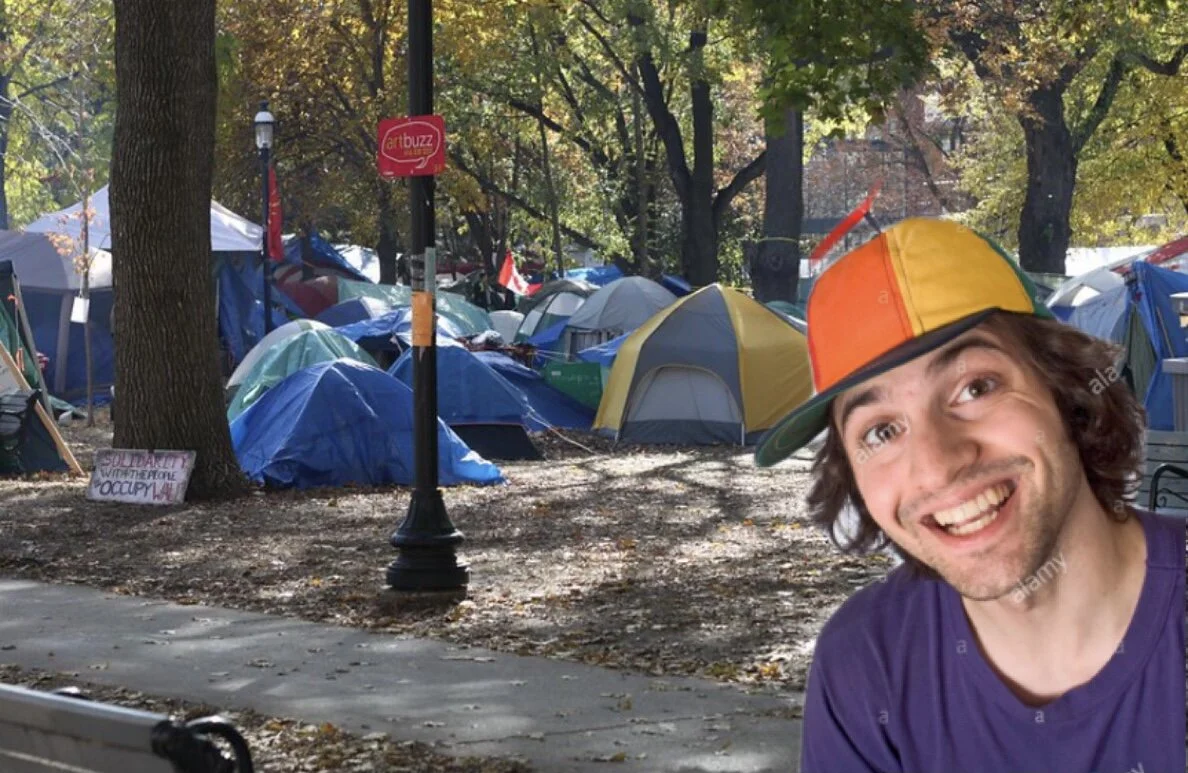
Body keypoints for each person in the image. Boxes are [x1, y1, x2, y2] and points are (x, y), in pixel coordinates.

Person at [754, 218, 1185, 773]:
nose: (938, 465)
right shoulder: (865, 664)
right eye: (881, 430)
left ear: (1067, 391)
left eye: (975, 387)